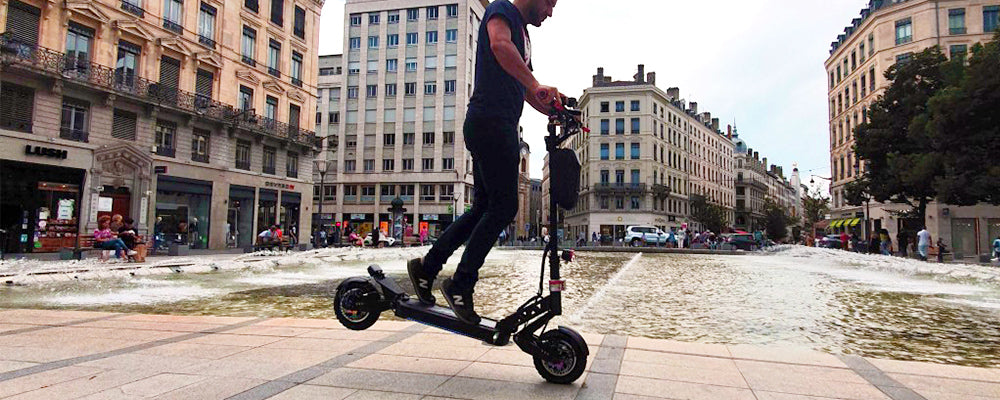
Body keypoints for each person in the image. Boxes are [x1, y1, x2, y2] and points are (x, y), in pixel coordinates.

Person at [406, 0, 564, 325]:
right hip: (492, 123)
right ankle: (461, 283)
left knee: (483, 207)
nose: (550, 12)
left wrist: (556, 110)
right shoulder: (502, 10)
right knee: (505, 207)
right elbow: (499, 44)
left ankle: (427, 268)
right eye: (549, 2)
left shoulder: (522, 33)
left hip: (491, 123)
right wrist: (535, 85)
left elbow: (525, 87)